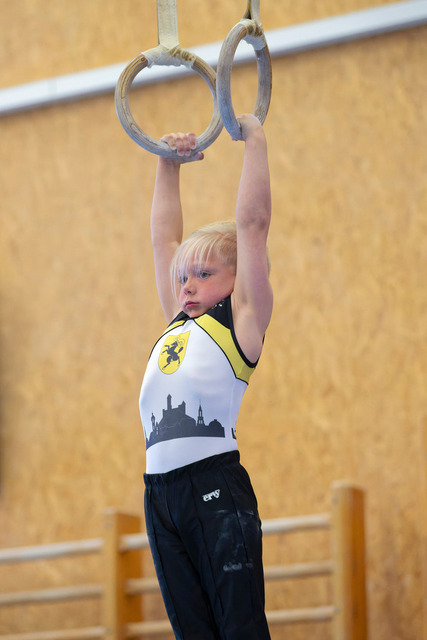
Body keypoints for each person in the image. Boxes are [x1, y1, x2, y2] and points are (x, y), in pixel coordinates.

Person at [139, 113, 273, 640]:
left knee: (239, 631)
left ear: (240, 280)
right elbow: (162, 239)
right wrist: (167, 163)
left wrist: (253, 140)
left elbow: (252, 225)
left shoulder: (241, 322)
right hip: (160, 498)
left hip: (213, 485)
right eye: (183, 277)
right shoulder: (178, 319)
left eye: (204, 274)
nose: (187, 286)